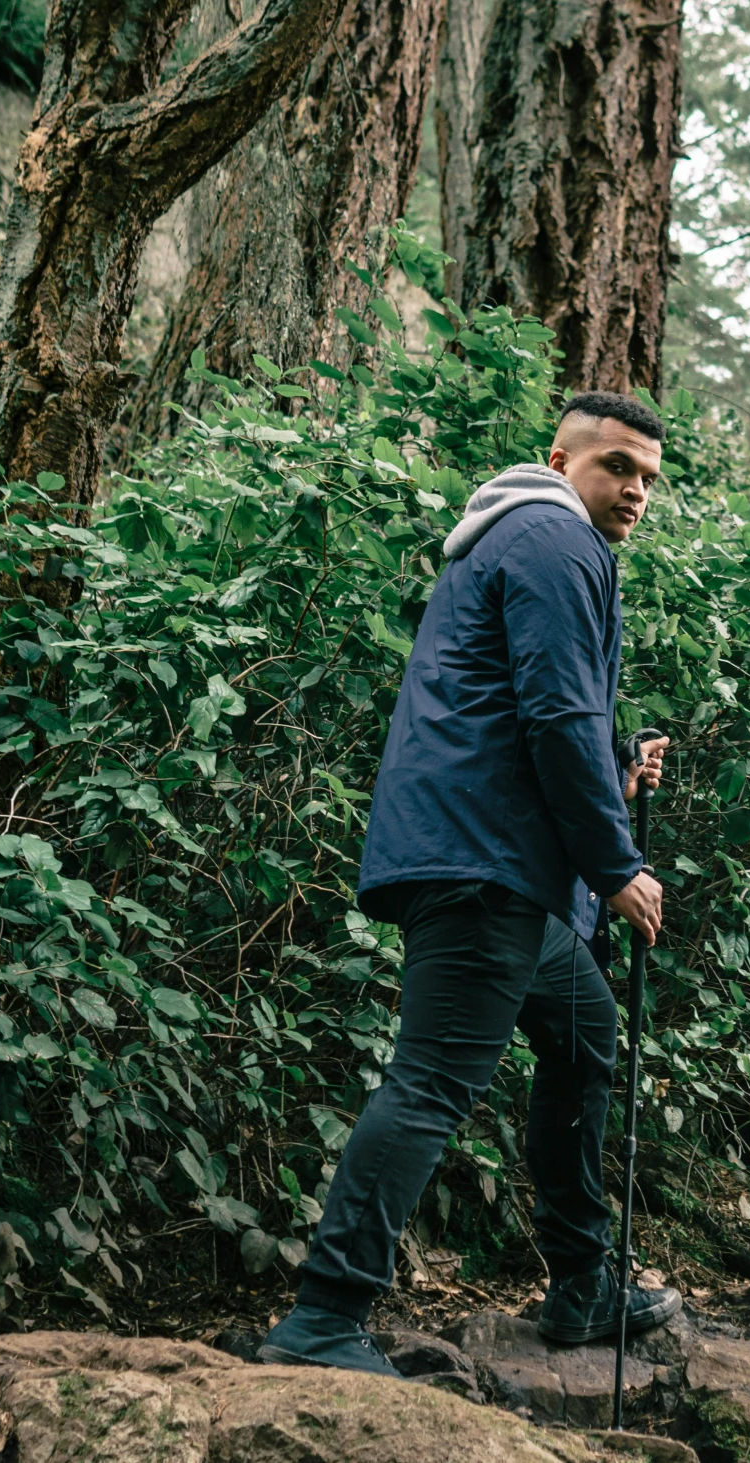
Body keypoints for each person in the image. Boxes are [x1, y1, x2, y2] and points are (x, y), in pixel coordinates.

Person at [256, 391, 684, 1375]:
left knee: (583, 1037)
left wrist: (613, 777)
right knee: (432, 1081)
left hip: (496, 865)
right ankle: (323, 1317)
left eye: (648, 477)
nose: (634, 491)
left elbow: (519, 712)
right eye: (617, 465)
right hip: (484, 864)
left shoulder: (512, 542)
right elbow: (555, 715)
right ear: (562, 457)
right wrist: (616, 863)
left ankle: (582, 1285)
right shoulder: (552, 539)